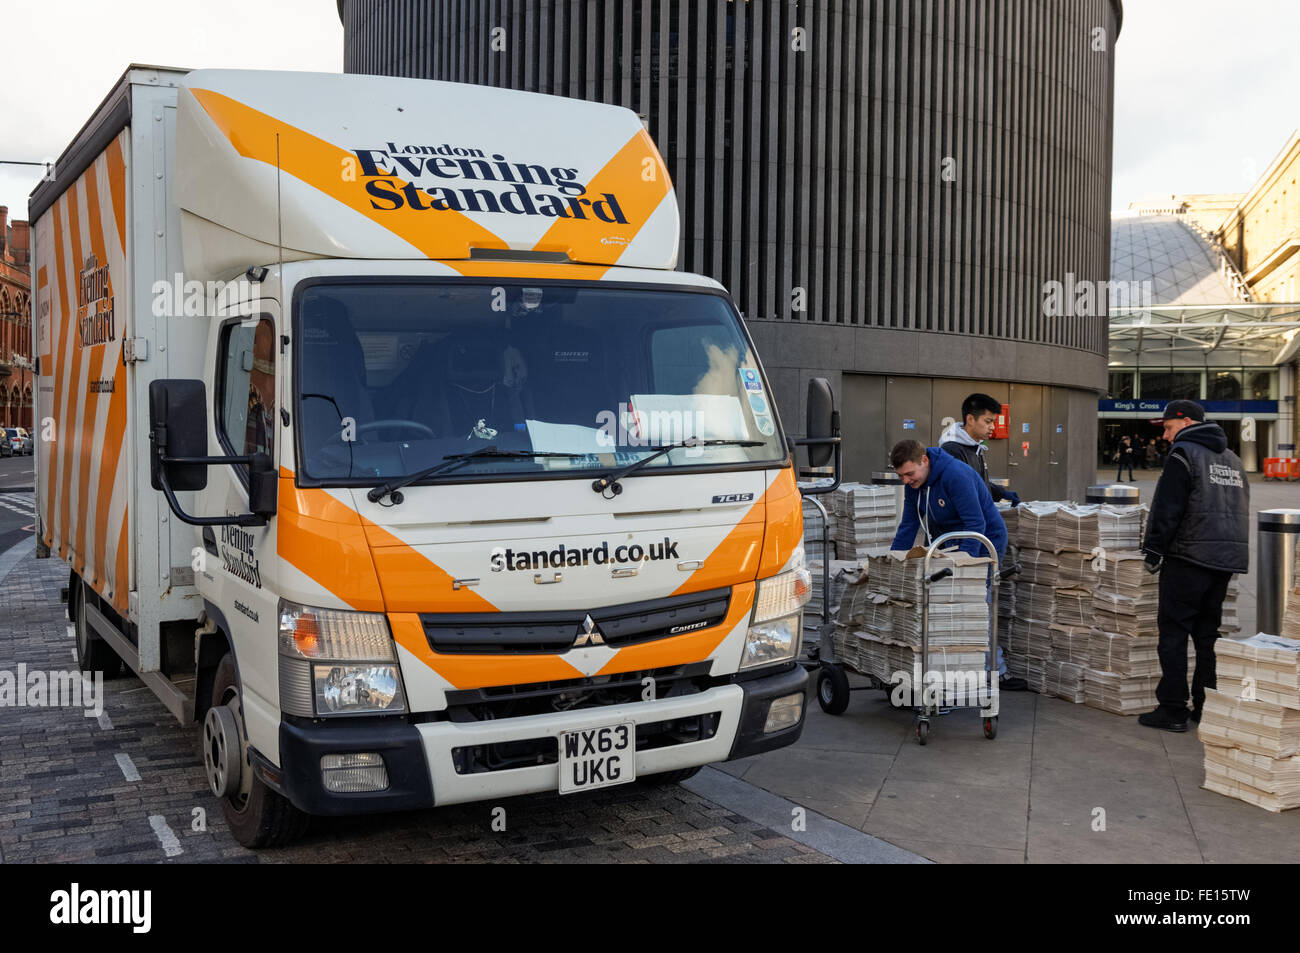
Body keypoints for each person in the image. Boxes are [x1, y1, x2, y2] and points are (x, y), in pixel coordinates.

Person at [1138, 400, 1249, 732]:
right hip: (1223, 561)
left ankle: (1172, 709)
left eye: (1170, 428)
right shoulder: (1233, 459)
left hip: (1188, 557)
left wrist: (1154, 550)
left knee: (1173, 634)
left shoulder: (1184, 454)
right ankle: (1205, 706)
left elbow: (1168, 507)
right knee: (1207, 635)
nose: (1168, 437)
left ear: (1185, 422)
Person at [889, 440, 1026, 691]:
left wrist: (965, 568)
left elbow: (975, 524)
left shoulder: (955, 475)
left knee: (974, 606)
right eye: (901, 476)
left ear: (925, 461)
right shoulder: (914, 484)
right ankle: (951, 671)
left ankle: (995, 672)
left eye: (909, 474)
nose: (905, 480)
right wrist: (893, 561)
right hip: (947, 544)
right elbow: (909, 524)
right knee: (944, 605)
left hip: (983, 542)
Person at [939, 393, 1020, 505]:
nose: (992, 427)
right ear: (970, 419)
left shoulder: (975, 446)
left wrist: (1001, 493)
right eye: (988, 421)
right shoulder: (952, 450)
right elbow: (963, 494)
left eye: (993, 422)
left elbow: (979, 483)